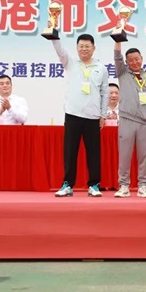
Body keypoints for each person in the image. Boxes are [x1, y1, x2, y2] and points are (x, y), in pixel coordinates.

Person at [53, 34, 109, 198]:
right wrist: (53, 34)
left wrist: (103, 114)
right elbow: (59, 49)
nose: (84, 49)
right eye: (81, 46)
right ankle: (67, 184)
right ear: (77, 48)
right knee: (70, 152)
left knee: (93, 153)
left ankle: (94, 185)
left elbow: (105, 92)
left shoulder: (101, 68)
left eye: (87, 46)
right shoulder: (70, 62)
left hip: (93, 116)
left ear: (94, 48)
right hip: (73, 114)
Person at [113, 43, 146, 198]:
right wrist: (118, 40)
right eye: (131, 60)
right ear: (126, 62)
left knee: (144, 155)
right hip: (127, 120)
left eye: (137, 59)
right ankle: (124, 185)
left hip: (145, 122)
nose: (134, 62)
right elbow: (117, 56)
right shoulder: (122, 73)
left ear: (142, 58)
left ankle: (143, 186)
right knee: (125, 155)